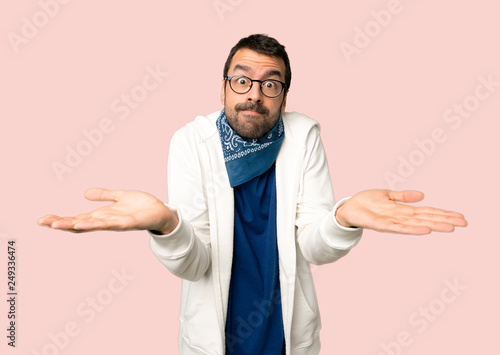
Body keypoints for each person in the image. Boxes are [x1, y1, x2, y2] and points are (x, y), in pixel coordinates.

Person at [38, 34, 467, 355]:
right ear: (223, 87)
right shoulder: (191, 142)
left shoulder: (303, 136)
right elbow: (195, 262)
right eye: (242, 80)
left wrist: (343, 218)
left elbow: (313, 247)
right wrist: (167, 226)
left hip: (287, 336)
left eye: (270, 84)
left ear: (284, 96)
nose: (254, 95)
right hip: (214, 338)